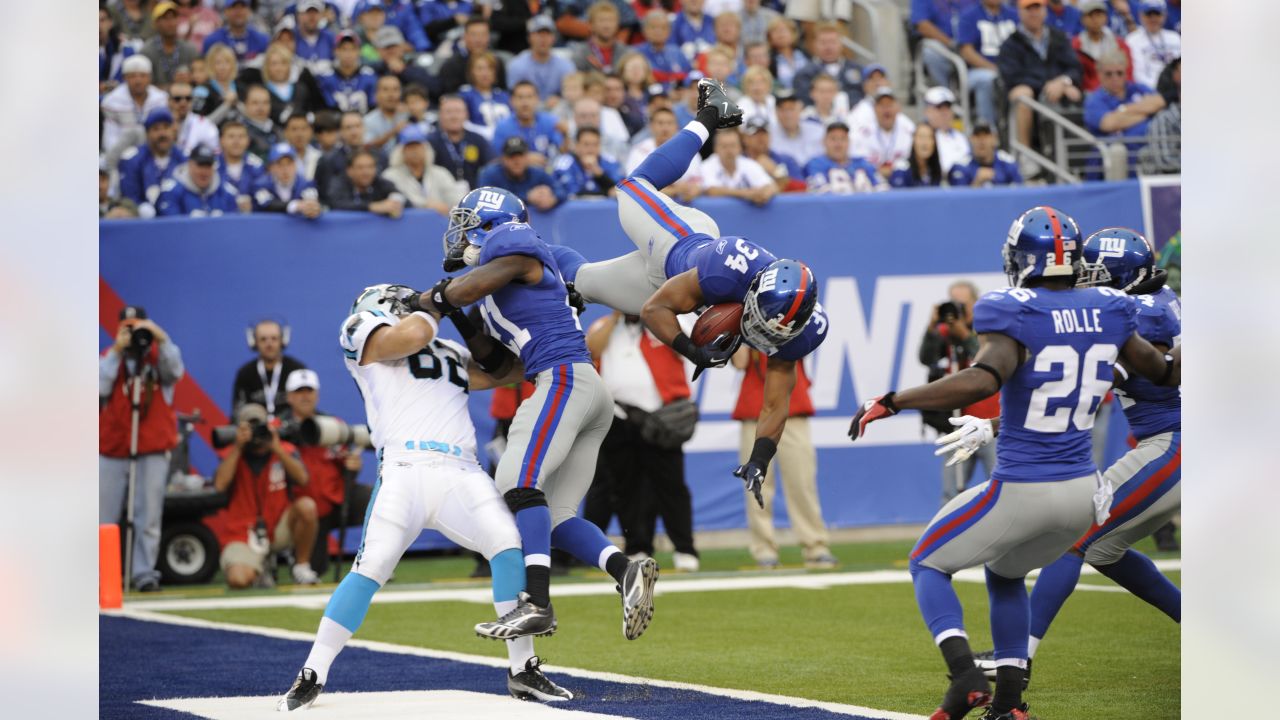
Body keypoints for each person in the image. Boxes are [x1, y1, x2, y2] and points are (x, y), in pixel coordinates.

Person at [848, 205, 1180, 720]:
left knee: (927, 562)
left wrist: (894, 400)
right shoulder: (1115, 308)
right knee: (1004, 574)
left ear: (1023, 257)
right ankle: (1008, 704)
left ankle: (963, 677)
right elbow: (1162, 372)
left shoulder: (1015, 307)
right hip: (1081, 495)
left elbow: (984, 379)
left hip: (1024, 487)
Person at [277, 284, 568, 711]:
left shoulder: (444, 344)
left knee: (508, 548)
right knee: (371, 567)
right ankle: (313, 672)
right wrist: (437, 304)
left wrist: (469, 325)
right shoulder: (361, 329)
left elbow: (509, 370)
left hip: (462, 471)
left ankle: (522, 670)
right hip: (404, 468)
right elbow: (410, 337)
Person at [551, 80, 830, 513]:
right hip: (675, 243)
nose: (756, 330)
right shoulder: (728, 268)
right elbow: (655, 309)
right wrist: (691, 350)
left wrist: (760, 458)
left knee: (583, 282)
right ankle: (710, 116)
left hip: (660, 285)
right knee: (633, 186)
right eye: (757, 317)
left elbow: (776, 399)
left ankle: (530, 248)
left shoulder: (800, 330)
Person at [409, 188, 661, 644]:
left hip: (563, 379)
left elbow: (473, 284)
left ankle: (537, 605)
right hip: (582, 386)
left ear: (491, 223)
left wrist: (432, 299)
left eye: (468, 220)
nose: (459, 230)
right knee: (558, 516)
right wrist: (458, 315)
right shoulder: (493, 282)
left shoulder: (512, 245)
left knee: (516, 483)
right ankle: (626, 570)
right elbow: (499, 366)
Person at [967, 227, 1182, 690]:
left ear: (1115, 276)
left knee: (1079, 534)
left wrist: (994, 425)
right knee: (1105, 548)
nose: (1081, 280)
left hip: (1175, 440)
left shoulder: (1140, 313)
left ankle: (1018, 657)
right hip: (1170, 439)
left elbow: (1085, 387)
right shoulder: (1156, 300)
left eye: (1092, 273)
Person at [584, 311, 701, 571]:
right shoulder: (605, 325)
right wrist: (615, 316)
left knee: (671, 486)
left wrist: (653, 314)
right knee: (627, 487)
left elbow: (692, 342)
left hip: (661, 418)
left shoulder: (664, 323)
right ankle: (638, 546)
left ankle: (684, 548)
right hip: (619, 416)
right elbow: (592, 349)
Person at [99, 306, 184, 593]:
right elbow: (99, 387)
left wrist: (163, 339)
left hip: (152, 447)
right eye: (128, 328)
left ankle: (144, 573)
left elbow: (176, 372)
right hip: (113, 447)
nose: (135, 335)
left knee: (148, 515)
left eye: (139, 327)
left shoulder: (159, 358)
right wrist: (116, 351)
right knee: (103, 515)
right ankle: (101, 575)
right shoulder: (112, 360)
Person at [729, 345, 834, 570]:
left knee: (802, 481)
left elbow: (801, 346)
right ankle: (764, 548)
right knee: (756, 483)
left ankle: (814, 544)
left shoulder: (791, 312)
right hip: (755, 410)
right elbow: (739, 362)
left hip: (792, 407)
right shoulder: (742, 318)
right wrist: (742, 332)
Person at [274, 369, 371, 578]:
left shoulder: (332, 425)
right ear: (289, 397)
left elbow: (346, 463)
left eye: (309, 390)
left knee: (376, 499)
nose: (305, 396)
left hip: (333, 500)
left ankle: (374, 562)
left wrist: (353, 466)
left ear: (317, 394)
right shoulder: (278, 428)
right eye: (299, 391)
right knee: (317, 569)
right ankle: (296, 557)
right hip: (302, 509)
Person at [211, 402, 318, 589]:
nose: (254, 433)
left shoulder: (283, 448)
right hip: (243, 530)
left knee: (307, 507)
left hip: (278, 526)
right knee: (238, 580)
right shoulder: (232, 453)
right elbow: (220, 485)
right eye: (248, 427)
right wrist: (238, 446)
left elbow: (303, 479)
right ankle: (260, 569)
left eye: (258, 426)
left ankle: (301, 567)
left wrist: (275, 447)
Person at [916, 281, 999, 504]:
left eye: (962, 303)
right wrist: (931, 329)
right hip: (957, 421)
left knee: (1000, 485)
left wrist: (964, 335)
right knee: (951, 492)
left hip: (990, 420)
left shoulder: (989, 329)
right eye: (952, 302)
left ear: (975, 303)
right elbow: (926, 358)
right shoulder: (945, 332)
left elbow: (985, 357)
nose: (956, 308)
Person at [998, 0, 1083, 155]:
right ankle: (1025, 155)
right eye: (1028, 8)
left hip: (1058, 94)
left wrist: (1064, 82)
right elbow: (1012, 77)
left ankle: (1078, 156)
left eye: (1037, 7)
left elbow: (1075, 67)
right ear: (1019, 12)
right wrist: (1048, 85)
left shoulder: (1058, 37)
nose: (1034, 13)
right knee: (1022, 94)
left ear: (1045, 10)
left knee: (1078, 93)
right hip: (1031, 97)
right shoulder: (1010, 44)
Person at [956, 0, 1018, 126]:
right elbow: (966, 51)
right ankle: (988, 130)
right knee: (988, 79)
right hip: (977, 71)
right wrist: (993, 68)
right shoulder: (969, 15)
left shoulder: (1014, 14)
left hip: (1011, 70)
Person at [1083, 50, 1164, 144]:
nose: (1115, 78)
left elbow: (1160, 101)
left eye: (1119, 73)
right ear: (1099, 75)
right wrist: (1149, 113)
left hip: (1149, 146)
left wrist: (1123, 110)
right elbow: (1109, 124)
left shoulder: (1138, 88)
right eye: (1108, 74)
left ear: (1126, 73)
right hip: (1114, 153)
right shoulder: (1094, 100)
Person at [381, 126, 468, 213]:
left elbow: (456, 200)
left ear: (426, 149)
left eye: (418, 147)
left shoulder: (440, 173)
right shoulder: (390, 175)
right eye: (410, 147)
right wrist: (426, 205)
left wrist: (450, 208)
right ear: (401, 151)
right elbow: (397, 200)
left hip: (440, 223)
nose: (414, 151)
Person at [117, 108, 185, 218]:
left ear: (173, 131)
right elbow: (129, 197)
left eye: (166, 127)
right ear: (147, 133)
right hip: (141, 224)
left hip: (177, 219)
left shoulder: (183, 158)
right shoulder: (132, 159)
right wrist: (139, 207)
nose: (162, 134)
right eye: (156, 129)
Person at [233, 319, 308, 418]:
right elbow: (238, 412)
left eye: (274, 338)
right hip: (256, 431)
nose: (269, 344)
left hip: (290, 430)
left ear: (283, 340)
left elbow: (307, 408)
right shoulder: (245, 373)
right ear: (254, 342)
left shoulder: (297, 370)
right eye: (263, 339)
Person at [624, 107, 703, 201]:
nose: (665, 128)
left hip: (683, 208)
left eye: (669, 123)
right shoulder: (639, 151)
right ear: (651, 126)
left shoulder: (690, 151)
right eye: (660, 123)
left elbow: (698, 184)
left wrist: (693, 191)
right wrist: (675, 191)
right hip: (649, 208)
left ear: (676, 126)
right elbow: (635, 187)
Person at [101, 55, 170, 155]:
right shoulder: (111, 101)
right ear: (124, 78)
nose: (138, 81)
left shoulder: (161, 99)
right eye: (132, 76)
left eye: (143, 75)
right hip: (123, 153)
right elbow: (110, 139)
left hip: (155, 153)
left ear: (150, 77)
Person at [315, 111, 388, 204]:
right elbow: (325, 195)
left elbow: (384, 188)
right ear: (340, 131)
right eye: (348, 128)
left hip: (377, 213)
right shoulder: (328, 160)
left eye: (358, 126)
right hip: (341, 213)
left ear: (364, 128)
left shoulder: (380, 155)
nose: (354, 132)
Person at [477, 137, 568, 211]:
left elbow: (561, 190)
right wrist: (527, 197)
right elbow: (484, 201)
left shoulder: (536, 172)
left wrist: (552, 199)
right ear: (503, 159)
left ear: (527, 157)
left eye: (520, 156)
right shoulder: (490, 174)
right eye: (511, 156)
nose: (517, 161)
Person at [492, 81, 566, 168]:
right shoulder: (502, 127)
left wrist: (566, 135)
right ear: (512, 101)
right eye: (520, 97)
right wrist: (524, 159)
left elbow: (563, 152)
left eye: (529, 97)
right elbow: (495, 160)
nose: (525, 102)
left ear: (537, 99)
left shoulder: (550, 122)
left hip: (546, 174)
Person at [429, 94, 495, 191]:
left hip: (475, 195)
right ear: (440, 115)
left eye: (458, 111)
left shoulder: (478, 140)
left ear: (467, 114)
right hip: (441, 197)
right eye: (448, 112)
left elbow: (491, 167)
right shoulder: (430, 142)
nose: (454, 116)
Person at [156, 144, 243, 216]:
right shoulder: (171, 191)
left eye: (208, 166)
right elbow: (169, 227)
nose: (204, 172)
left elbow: (234, 227)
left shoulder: (226, 192)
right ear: (190, 165)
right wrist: (191, 222)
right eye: (200, 165)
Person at [849, 87, 914, 181]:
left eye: (889, 105)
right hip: (872, 180)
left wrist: (894, 169)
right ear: (874, 109)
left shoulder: (908, 129)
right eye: (882, 105)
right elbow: (856, 159)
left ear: (897, 108)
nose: (886, 110)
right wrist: (876, 169)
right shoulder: (864, 132)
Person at [508, 15, 577, 103]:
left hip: (558, 112)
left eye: (547, 34)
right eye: (539, 34)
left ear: (554, 38)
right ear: (529, 37)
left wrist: (560, 101)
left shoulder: (566, 65)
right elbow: (514, 98)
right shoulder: (517, 65)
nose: (543, 39)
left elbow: (574, 94)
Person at [790, 22, 862, 107]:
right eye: (823, 42)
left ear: (841, 44)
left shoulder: (858, 70)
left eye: (832, 42)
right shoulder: (804, 74)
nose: (828, 47)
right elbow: (804, 101)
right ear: (815, 44)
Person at [700, 129, 778, 205]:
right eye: (724, 146)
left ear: (740, 148)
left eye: (733, 145)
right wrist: (746, 194)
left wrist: (764, 194)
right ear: (716, 149)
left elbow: (772, 185)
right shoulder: (707, 165)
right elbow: (711, 190)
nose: (729, 151)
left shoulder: (748, 164)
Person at [912, 0, 979, 87]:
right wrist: (950, 43)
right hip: (943, 47)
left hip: (971, 46)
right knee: (930, 52)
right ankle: (945, 92)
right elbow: (922, 25)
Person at [803, 121, 879, 194]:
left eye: (843, 139)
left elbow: (883, 190)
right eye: (833, 139)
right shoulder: (816, 164)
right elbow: (821, 194)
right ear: (824, 142)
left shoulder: (863, 163)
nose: (838, 144)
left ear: (849, 142)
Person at [439, 17, 508, 97]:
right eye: (474, 35)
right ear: (464, 36)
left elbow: (503, 91)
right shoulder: (451, 65)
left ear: (489, 37)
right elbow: (449, 97)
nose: (479, 40)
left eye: (483, 34)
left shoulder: (497, 62)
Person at [1073, 0, 1133, 92]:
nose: (1095, 19)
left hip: (1119, 90)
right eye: (1090, 15)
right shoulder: (1076, 45)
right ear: (1083, 19)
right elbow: (1079, 75)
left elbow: (1128, 72)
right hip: (1089, 92)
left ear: (1105, 18)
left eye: (1099, 15)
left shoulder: (1119, 44)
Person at [328, 149, 407, 218]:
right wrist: (371, 206)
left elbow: (401, 197)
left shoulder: (379, 182)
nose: (366, 172)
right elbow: (336, 203)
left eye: (370, 167)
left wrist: (396, 202)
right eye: (360, 167)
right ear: (349, 171)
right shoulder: (339, 183)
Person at [252, 143, 323, 217]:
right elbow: (267, 204)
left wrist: (312, 208)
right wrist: (295, 205)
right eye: (280, 164)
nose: (285, 169)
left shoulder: (305, 184)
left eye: (289, 163)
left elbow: (311, 202)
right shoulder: (260, 185)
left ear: (295, 165)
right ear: (271, 167)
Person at [552, 126, 625, 198]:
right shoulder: (564, 164)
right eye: (586, 144)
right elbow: (571, 194)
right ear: (576, 145)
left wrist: (600, 175)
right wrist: (607, 193)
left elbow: (621, 191)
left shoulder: (610, 162)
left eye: (595, 144)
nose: (591, 149)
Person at [318, 30, 379, 113]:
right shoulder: (326, 78)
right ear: (335, 51)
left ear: (359, 51)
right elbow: (326, 109)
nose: (348, 54)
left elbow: (373, 107)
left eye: (352, 49)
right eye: (344, 49)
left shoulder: (369, 76)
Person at [141, 2, 200, 87]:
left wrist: (190, 79)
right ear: (156, 23)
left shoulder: (189, 48)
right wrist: (170, 88)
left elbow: (200, 78)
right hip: (157, 99)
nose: (171, 23)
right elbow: (144, 85)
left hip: (185, 97)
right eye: (165, 18)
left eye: (174, 17)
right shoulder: (147, 51)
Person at [1125, 0, 1179, 90]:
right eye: (1149, 14)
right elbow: (1138, 75)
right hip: (1148, 91)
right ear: (1140, 16)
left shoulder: (1175, 38)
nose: (1153, 19)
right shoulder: (1132, 40)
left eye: (1157, 14)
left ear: (1164, 16)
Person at [948, 122, 1023, 186]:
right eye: (977, 136)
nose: (981, 141)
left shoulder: (1007, 163)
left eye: (986, 135)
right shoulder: (961, 166)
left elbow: (1018, 195)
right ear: (970, 139)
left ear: (995, 139)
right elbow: (957, 200)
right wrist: (976, 183)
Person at [459, 52, 513, 139]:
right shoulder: (465, 96)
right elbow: (462, 124)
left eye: (489, 68)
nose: (485, 73)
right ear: (471, 72)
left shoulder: (505, 96)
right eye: (480, 69)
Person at [922, 86, 971, 174]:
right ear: (927, 111)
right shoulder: (919, 137)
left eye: (948, 107)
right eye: (939, 108)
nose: (944, 112)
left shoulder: (960, 138)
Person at [570, 2, 629, 73]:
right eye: (602, 20)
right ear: (590, 25)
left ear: (617, 25)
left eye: (611, 20)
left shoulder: (626, 52)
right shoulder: (581, 53)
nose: (607, 26)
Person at [202, 0, 270, 61]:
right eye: (234, 7)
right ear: (226, 11)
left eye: (242, 7)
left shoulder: (262, 40)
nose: (238, 12)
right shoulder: (212, 41)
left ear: (249, 11)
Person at [217, 119, 268, 200]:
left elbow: (263, 196)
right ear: (222, 140)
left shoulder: (257, 165)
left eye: (241, 137)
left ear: (248, 141)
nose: (236, 141)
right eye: (231, 136)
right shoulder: (211, 165)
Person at [770, 92, 822, 170]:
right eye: (782, 109)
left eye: (791, 109)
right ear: (775, 112)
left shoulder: (817, 131)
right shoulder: (768, 135)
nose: (787, 114)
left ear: (800, 109)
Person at [192, 43, 242, 126]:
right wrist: (226, 105)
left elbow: (252, 118)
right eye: (218, 63)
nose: (223, 67)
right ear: (211, 65)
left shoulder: (241, 88)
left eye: (227, 62)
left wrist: (238, 103)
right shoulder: (201, 90)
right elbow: (199, 124)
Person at [639, 11, 692, 87]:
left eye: (663, 27)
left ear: (669, 31)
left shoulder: (677, 52)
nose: (658, 31)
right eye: (653, 27)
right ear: (644, 30)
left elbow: (689, 77)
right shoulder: (637, 54)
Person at [166, 80, 218, 156]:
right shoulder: (160, 125)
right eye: (177, 99)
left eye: (188, 98)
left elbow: (215, 153)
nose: (183, 103)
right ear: (169, 101)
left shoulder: (204, 124)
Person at [363, 75, 409, 153]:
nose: (391, 94)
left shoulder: (408, 115)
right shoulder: (367, 120)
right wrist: (393, 132)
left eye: (395, 89)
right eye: (385, 90)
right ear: (376, 95)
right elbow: (367, 147)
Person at [890, 124, 945, 188]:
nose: (925, 142)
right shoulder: (901, 168)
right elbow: (898, 196)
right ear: (913, 140)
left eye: (930, 137)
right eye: (921, 137)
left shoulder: (936, 170)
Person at [765, 15, 808, 91]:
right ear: (769, 36)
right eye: (776, 31)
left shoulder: (804, 53)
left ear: (793, 34)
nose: (780, 34)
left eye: (784, 30)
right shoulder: (768, 58)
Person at [239, 83, 280, 160]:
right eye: (255, 103)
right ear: (245, 104)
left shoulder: (278, 130)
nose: (261, 108)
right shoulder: (239, 131)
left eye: (265, 103)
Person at [293, 0, 336, 71]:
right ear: (299, 15)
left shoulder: (330, 38)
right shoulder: (290, 37)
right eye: (308, 12)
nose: (312, 17)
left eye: (315, 12)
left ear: (321, 15)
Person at [282, 113, 322, 181]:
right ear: (286, 132)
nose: (299, 134)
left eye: (303, 129)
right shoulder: (278, 158)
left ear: (311, 131)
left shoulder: (319, 157)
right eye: (294, 129)